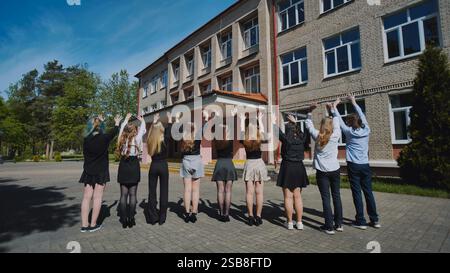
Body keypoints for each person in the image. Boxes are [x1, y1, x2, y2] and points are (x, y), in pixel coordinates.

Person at [332, 95, 380, 230]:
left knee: (357, 193)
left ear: (350, 123)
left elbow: (339, 121)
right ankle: (375, 220)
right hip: (365, 165)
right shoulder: (367, 129)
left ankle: (361, 221)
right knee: (368, 192)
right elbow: (361, 114)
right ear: (359, 121)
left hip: (353, 165)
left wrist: (335, 106)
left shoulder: (348, 131)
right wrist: (353, 102)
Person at [305, 103, 343, 235]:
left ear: (321, 126)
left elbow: (308, 125)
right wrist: (332, 108)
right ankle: (339, 224)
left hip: (322, 173)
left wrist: (309, 111)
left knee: (326, 198)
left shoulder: (318, 136)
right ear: (331, 126)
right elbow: (337, 122)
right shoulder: (336, 135)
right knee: (336, 196)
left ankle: (329, 226)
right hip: (335, 170)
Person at [79, 114, 121, 233]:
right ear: (100, 127)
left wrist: (99, 122)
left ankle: (84, 225)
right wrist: (116, 122)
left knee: (86, 197)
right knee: (97, 197)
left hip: (88, 170)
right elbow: (115, 130)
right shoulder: (104, 138)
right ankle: (93, 224)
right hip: (101, 171)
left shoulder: (86, 139)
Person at [272, 112, 309, 231]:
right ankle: (299, 222)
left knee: (288, 197)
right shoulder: (302, 139)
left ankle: (289, 223)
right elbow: (303, 132)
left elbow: (276, 131)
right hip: (299, 167)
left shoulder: (286, 139)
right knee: (297, 196)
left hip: (287, 167)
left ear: (287, 130)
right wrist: (295, 123)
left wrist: (273, 121)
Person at [116, 113, 146, 229]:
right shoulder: (137, 139)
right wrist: (142, 120)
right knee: (133, 194)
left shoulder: (121, 140)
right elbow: (143, 128)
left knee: (123, 195)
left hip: (123, 166)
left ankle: (123, 219)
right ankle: (131, 218)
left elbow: (121, 130)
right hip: (134, 166)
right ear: (134, 130)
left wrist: (126, 120)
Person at [239, 112, 269, 226]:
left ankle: (250, 216)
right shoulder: (260, 138)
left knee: (249, 193)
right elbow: (263, 133)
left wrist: (242, 120)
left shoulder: (244, 139)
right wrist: (260, 120)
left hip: (249, 164)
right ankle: (259, 216)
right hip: (259, 164)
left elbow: (242, 131)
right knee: (259, 192)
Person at [178, 111, 208, 223]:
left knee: (187, 189)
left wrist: (179, 119)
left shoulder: (184, 137)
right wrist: (205, 117)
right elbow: (205, 126)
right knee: (195, 190)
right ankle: (194, 213)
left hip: (186, 162)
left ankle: (186, 213)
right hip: (197, 161)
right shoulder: (198, 135)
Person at [211, 107, 238, 222]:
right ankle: (227, 214)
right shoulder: (230, 138)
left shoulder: (216, 138)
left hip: (219, 164)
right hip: (229, 164)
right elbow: (231, 127)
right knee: (228, 191)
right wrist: (233, 115)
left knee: (220, 190)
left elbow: (214, 128)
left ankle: (221, 213)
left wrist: (216, 118)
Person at [147, 112, 172, 225]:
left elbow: (151, 132)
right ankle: (162, 217)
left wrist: (154, 122)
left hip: (153, 165)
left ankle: (152, 217)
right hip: (163, 166)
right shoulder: (165, 139)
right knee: (164, 191)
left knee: (152, 192)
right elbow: (169, 132)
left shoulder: (150, 140)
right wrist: (170, 119)